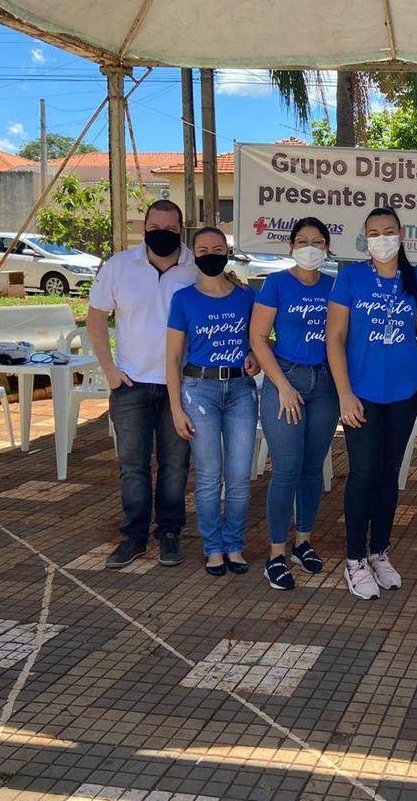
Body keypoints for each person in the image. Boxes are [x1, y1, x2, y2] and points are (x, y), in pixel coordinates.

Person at [327, 207, 417, 600]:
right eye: (374, 233)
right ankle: (354, 559)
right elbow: (335, 338)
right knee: (363, 472)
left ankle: (379, 552)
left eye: (389, 231)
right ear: (365, 238)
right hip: (361, 394)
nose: (382, 239)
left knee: (389, 473)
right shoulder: (350, 278)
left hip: (404, 392)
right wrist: (344, 393)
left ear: (402, 235)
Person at [88, 200, 198, 570]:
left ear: (181, 230)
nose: (161, 234)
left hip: (179, 386)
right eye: (155, 227)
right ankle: (134, 536)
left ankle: (169, 533)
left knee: (175, 465)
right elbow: (96, 318)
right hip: (130, 384)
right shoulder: (119, 266)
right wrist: (109, 369)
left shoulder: (195, 267)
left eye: (170, 229)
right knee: (132, 465)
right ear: (144, 227)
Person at [249, 217, 339, 590]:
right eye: (302, 241)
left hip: (325, 383)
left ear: (327, 248)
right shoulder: (276, 284)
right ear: (291, 247)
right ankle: (276, 554)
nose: (310, 248)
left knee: (312, 468)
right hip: (286, 379)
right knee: (286, 469)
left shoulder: (334, 286)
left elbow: (342, 337)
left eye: (317, 242)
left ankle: (303, 542)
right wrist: (282, 385)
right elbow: (258, 337)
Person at [165, 227, 259, 576]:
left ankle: (234, 544)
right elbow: (172, 357)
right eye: (203, 249)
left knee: (239, 475)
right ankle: (213, 547)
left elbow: (259, 340)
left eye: (217, 248)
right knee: (208, 475)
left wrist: (255, 354)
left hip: (240, 390)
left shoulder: (246, 296)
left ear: (227, 252)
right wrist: (176, 408)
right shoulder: (183, 299)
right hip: (199, 389)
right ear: (194, 254)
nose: (210, 255)